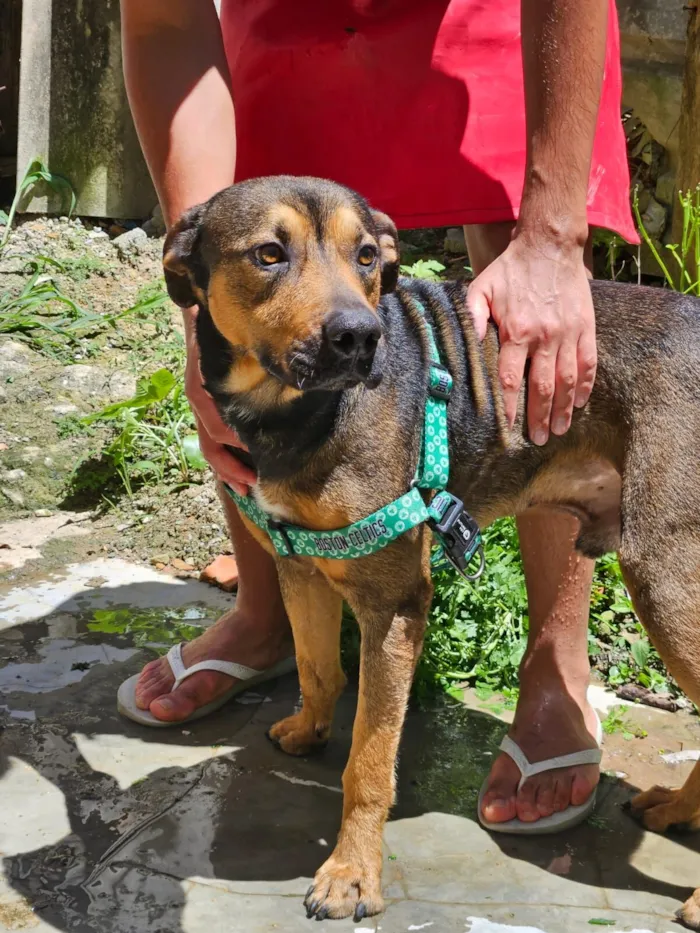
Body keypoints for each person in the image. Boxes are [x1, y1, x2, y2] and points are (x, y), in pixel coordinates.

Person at [119, 0, 636, 830]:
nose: (359, 314)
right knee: (288, 226)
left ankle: (555, 668)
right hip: (294, 32)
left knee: (523, 305)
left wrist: (551, 236)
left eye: (370, 266)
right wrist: (208, 324)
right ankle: (271, 628)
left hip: (492, 20)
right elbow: (161, 23)